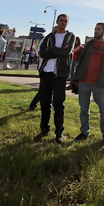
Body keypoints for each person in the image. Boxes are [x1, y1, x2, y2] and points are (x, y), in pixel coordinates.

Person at [72, 23, 104, 145]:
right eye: (95, 29)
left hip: (100, 82)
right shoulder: (90, 44)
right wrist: (76, 78)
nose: (96, 31)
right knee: (84, 109)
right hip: (84, 81)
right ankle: (84, 132)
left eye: (98, 29)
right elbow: (80, 60)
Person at [33, 14, 75, 144]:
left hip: (60, 75)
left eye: (65, 21)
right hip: (46, 72)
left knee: (58, 103)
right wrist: (55, 51)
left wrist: (51, 50)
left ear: (67, 23)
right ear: (57, 22)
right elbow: (42, 53)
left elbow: (66, 52)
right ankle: (44, 129)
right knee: (45, 103)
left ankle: (59, 132)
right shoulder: (49, 37)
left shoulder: (70, 37)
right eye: (61, 20)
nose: (63, 23)